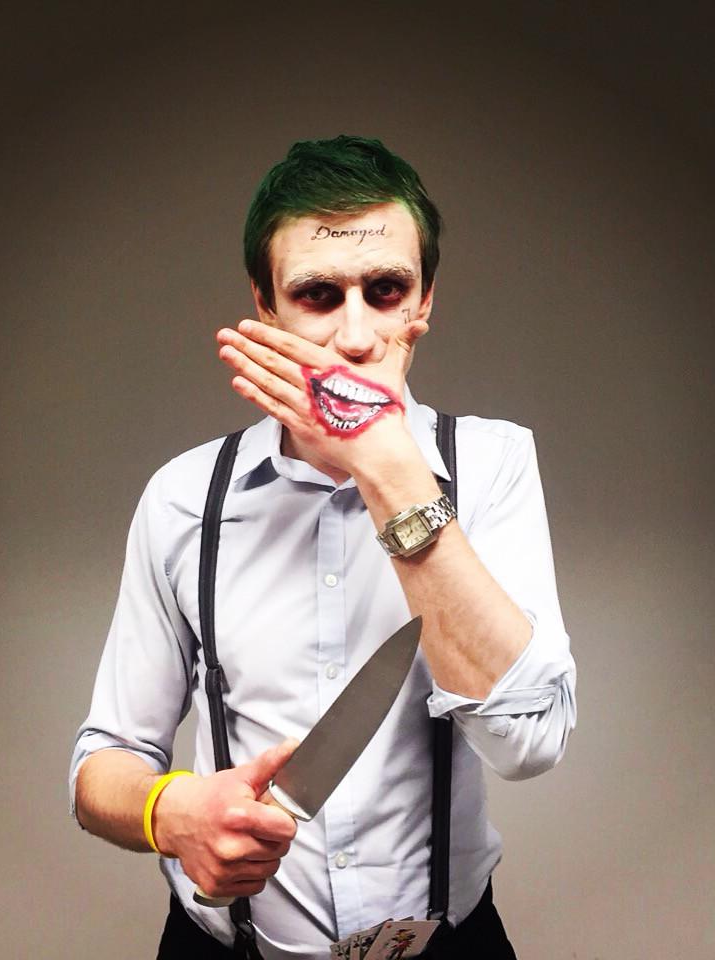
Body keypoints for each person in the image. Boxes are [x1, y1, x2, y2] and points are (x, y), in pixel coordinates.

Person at [70, 135, 577, 959]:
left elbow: (528, 744)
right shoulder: (184, 497)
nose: (355, 335)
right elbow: (104, 765)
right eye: (316, 294)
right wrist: (171, 812)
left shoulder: (491, 467)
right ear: (265, 305)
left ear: (424, 298)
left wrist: (389, 470)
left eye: (385, 290)